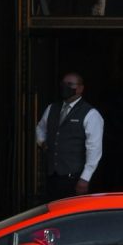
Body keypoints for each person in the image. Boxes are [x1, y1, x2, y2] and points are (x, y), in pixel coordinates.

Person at [36, 72, 104, 200]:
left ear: (80, 88)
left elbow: (94, 149)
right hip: (52, 176)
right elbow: (40, 128)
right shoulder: (52, 108)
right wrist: (42, 142)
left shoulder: (91, 114)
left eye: (70, 84)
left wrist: (85, 178)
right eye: (63, 84)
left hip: (74, 178)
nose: (65, 87)